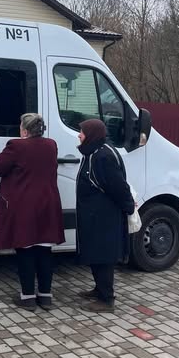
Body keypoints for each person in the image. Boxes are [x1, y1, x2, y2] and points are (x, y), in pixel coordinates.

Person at [0, 113, 65, 311]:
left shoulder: (16, 146)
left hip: (24, 205)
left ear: (24, 130)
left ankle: (28, 298)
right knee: (44, 250)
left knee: (25, 250)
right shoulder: (51, 145)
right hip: (47, 203)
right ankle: (46, 297)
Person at [76, 119, 135, 312]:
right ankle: (99, 289)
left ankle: (106, 299)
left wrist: (129, 206)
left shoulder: (103, 157)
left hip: (103, 217)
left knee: (103, 255)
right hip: (93, 214)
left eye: (82, 132)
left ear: (92, 135)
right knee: (94, 253)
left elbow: (118, 187)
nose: (79, 135)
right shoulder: (92, 152)